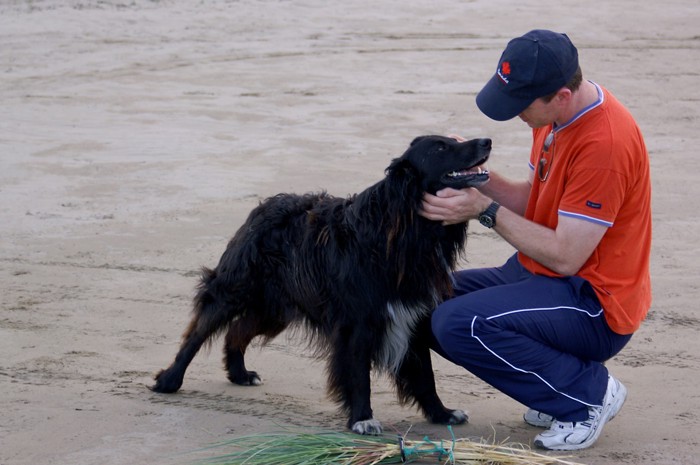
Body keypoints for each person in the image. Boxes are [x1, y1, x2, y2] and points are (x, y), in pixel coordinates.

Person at [420, 29, 652, 451]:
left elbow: (567, 257)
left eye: (521, 106)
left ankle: (586, 395)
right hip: (542, 274)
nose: (515, 115)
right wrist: (478, 179)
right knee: (424, 301)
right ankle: (554, 383)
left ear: (561, 95)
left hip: (595, 301)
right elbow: (535, 201)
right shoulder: (556, 118)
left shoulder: (605, 145)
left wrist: (482, 211)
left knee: (458, 323)